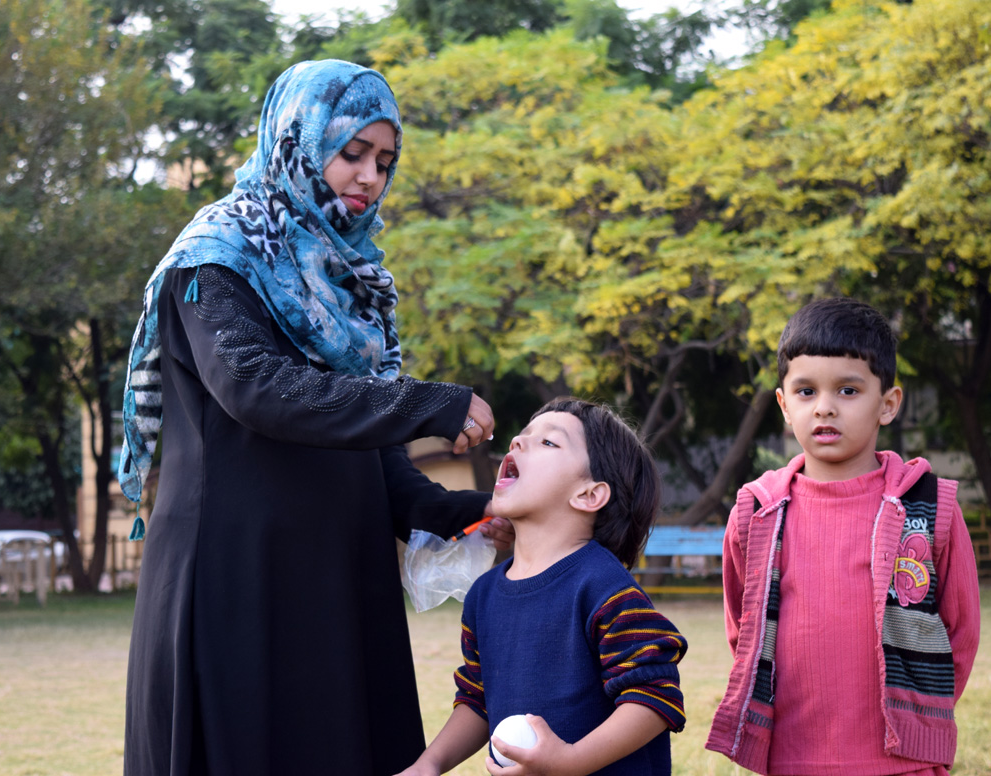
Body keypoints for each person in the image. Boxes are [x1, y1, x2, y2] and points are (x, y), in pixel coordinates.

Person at [118, 59, 513, 776]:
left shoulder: (346, 287)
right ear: (295, 139)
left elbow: (383, 470)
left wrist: (489, 511)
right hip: (238, 585)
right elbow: (257, 388)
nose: (370, 176)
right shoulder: (215, 260)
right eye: (351, 152)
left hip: (340, 589)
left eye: (385, 161)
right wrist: (428, 403)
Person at [706, 297, 981, 775]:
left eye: (849, 390)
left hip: (903, 761)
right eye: (806, 391)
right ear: (784, 405)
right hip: (792, 757)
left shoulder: (928, 506)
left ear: (888, 404)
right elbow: (743, 629)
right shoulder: (758, 511)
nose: (825, 408)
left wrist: (917, 716)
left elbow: (961, 631)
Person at [396, 398, 688, 776]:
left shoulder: (602, 584)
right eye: (522, 435)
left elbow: (655, 695)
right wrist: (428, 765)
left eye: (549, 442)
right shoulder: (483, 595)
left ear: (588, 495)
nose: (517, 441)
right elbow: (477, 698)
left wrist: (570, 762)